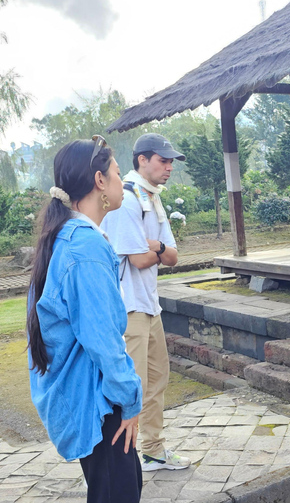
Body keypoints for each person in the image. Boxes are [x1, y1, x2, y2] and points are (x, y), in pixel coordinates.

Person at [27, 137, 143, 503]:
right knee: (119, 493)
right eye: (118, 173)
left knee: (115, 487)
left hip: (85, 395)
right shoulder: (85, 246)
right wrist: (130, 399)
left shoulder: (63, 237)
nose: (122, 182)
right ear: (99, 181)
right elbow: (102, 339)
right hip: (101, 401)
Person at [101, 133, 189, 471]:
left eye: (170, 162)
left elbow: (173, 256)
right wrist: (155, 248)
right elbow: (138, 260)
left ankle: (153, 450)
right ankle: (124, 463)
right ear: (142, 160)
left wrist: (153, 246)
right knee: (131, 389)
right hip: (129, 309)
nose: (169, 167)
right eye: (163, 161)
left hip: (151, 307)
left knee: (157, 381)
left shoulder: (152, 197)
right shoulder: (125, 198)